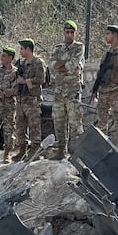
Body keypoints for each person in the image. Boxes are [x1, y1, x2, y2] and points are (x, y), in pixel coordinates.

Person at [94, 25, 118, 151]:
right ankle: (102, 147)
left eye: (108, 34)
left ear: (115, 35)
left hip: (116, 91)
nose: (106, 36)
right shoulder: (107, 53)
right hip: (104, 92)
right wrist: (97, 90)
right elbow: (101, 72)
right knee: (101, 121)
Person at [49, 20, 85, 159]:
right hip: (59, 91)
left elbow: (73, 64)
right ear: (63, 32)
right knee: (58, 121)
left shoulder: (78, 47)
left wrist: (61, 65)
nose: (69, 35)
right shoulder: (58, 48)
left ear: (75, 33)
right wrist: (64, 65)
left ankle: (77, 153)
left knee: (75, 122)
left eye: (72, 32)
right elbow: (51, 64)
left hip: (72, 90)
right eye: (67, 32)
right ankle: (61, 151)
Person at [12, 39, 47, 161]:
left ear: (28, 49)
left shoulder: (38, 62)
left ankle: (35, 150)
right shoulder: (20, 63)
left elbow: (41, 79)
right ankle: (22, 149)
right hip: (21, 99)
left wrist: (26, 81)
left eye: (22, 48)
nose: (20, 51)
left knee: (34, 126)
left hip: (32, 99)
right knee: (20, 126)